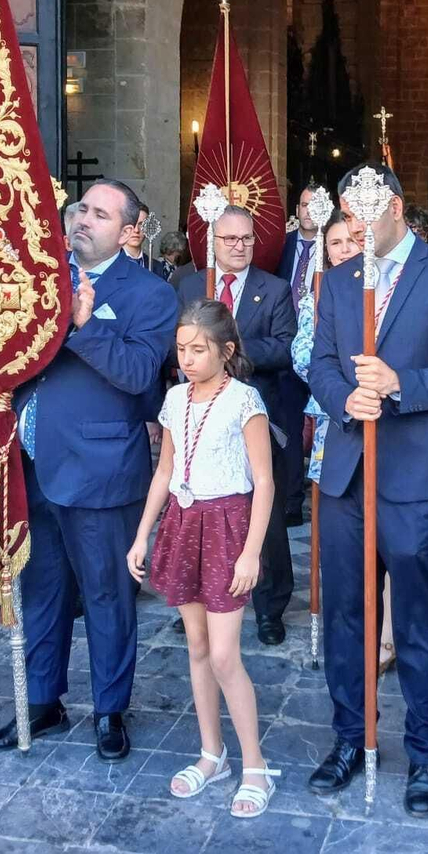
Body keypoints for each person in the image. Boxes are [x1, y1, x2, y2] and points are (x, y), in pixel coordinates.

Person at [305, 161, 428, 817]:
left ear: (397, 208)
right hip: (351, 469)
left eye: (366, 211)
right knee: (348, 613)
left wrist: (399, 384)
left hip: (413, 475)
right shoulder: (340, 280)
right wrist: (348, 397)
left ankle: (427, 752)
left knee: (415, 617)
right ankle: (352, 737)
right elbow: (322, 362)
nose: (355, 224)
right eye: (348, 213)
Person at [0, 178, 179, 760]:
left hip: (100, 467)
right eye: (81, 210)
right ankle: (43, 699)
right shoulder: (33, 275)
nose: (83, 220)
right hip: (27, 460)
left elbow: (141, 375)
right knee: (42, 588)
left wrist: (85, 326)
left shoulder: (148, 293)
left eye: (100, 213)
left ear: (126, 230)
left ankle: (110, 710)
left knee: (106, 594)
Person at [127, 300, 280, 818]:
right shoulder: (174, 399)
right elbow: (164, 471)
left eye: (198, 349)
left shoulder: (245, 401)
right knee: (195, 646)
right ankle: (210, 753)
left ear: (226, 350)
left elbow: (265, 481)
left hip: (227, 527)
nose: (187, 358)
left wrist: (252, 551)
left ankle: (255, 764)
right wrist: (143, 534)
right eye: (181, 349)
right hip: (184, 523)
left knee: (223, 655)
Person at [174, 205, 298, 645]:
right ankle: (198, 599)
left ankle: (270, 606)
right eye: (229, 239)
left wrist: (226, 353)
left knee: (266, 516)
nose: (239, 246)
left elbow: (285, 349)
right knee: (202, 511)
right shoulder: (189, 285)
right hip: (201, 421)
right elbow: (178, 350)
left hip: (257, 417)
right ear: (213, 240)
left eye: (246, 238)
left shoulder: (275, 289)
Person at [292, 212, 396, 673]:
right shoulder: (323, 293)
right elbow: (307, 357)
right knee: (344, 557)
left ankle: (388, 633)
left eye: (348, 241)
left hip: (394, 428)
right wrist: (342, 390)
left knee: (393, 546)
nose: (344, 249)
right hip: (335, 425)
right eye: (334, 244)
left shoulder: (388, 288)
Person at [278, 183, 323, 527]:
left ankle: (327, 496)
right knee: (291, 428)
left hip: (324, 349)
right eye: (305, 204)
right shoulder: (283, 245)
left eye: (316, 204)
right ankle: (292, 499)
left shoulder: (337, 243)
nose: (309, 211)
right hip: (287, 345)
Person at [122, 201, 163, 274]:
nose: (136, 230)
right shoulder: (109, 263)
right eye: (132, 223)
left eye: (141, 224)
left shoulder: (156, 267)